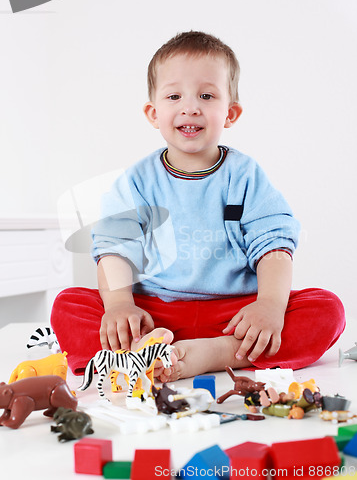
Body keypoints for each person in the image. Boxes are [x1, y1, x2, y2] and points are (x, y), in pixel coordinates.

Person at [51, 31, 345, 381]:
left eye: (206, 95)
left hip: (233, 315)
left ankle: (215, 352)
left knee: (327, 309)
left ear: (231, 113)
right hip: (154, 312)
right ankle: (141, 354)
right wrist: (119, 306)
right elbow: (116, 248)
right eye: (174, 96)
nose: (190, 107)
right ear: (153, 112)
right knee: (70, 304)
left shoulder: (245, 175)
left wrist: (269, 305)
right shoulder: (136, 181)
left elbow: (274, 245)